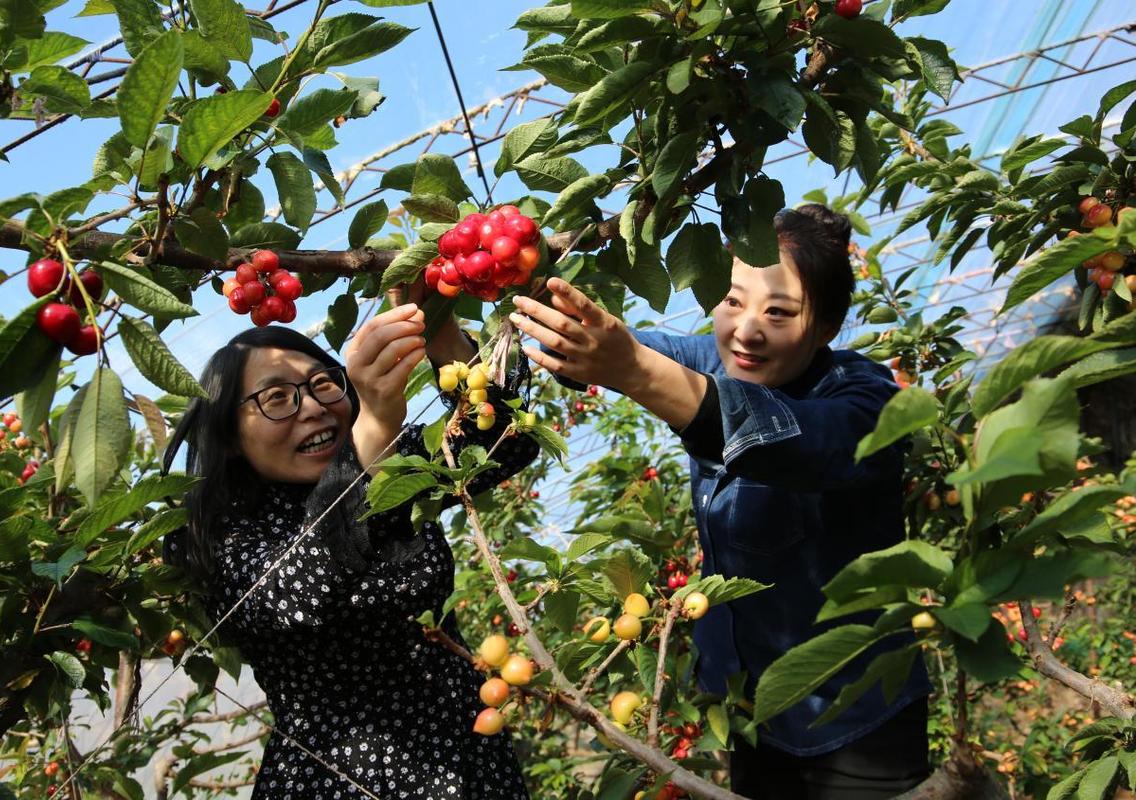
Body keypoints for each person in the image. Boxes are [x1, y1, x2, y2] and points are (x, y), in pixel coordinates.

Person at [509, 204, 932, 799]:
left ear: (827, 328)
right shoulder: (713, 358)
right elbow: (607, 349)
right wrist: (515, 279)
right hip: (747, 709)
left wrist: (633, 370)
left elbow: (797, 443)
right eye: (732, 301)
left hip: (857, 716)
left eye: (779, 312)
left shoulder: (867, 401)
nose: (746, 330)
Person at [162, 301, 537, 799]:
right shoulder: (217, 535)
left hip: (474, 765)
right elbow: (296, 594)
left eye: (323, 384)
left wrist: (441, 326)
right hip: (344, 781)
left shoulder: (390, 466)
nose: (315, 407)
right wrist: (373, 433)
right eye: (276, 398)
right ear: (229, 435)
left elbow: (508, 442)